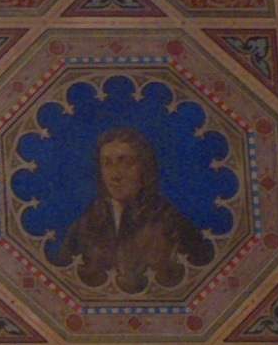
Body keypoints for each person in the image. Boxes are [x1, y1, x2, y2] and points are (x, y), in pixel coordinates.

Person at [46, 123, 215, 292]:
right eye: (107, 164)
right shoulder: (86, 224)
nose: (115, 175)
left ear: (144, 168)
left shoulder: (172, 226)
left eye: (125, 163)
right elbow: (59, 283)